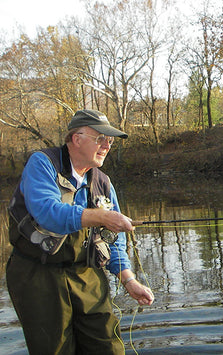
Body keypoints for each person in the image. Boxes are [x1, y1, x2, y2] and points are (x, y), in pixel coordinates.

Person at [6, 109, 154, 354]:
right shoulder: (42, 164)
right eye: (100, 139)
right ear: (76, 139)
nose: (107, 146)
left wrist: (129, 280)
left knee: (109, 346)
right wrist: (102, 216)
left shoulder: (103, 182)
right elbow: (48, 213)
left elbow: (113, 240)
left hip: (86, 274)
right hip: (37, 275)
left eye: (110, 140)